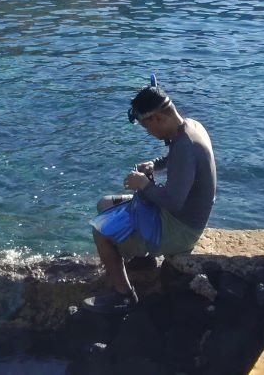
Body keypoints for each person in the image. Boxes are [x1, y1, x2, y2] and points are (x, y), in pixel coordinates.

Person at [82, 81, 217, 314]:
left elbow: (174, 201)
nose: (149, 133)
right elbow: (176, 159)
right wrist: (155, 164)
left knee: (101, 231)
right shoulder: (191, 127)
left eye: (147, 127)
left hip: (180, 229)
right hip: (178, 215)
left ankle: (123, 295)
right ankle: (139, 257)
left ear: (158, 119)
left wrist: (144, 184)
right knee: (104, 204)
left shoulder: (186, 147)